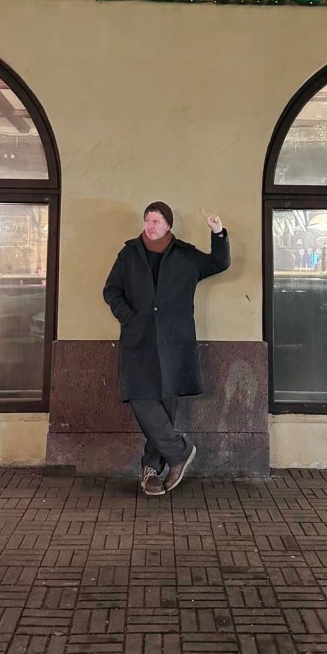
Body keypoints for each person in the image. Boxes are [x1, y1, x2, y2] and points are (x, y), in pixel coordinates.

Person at [103, 201, 230, 496]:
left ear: (168, 225)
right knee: (140, 396)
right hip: (138, 339)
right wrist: (128, 317)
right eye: (147, 220)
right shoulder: (129, 254)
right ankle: (179, 451)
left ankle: (150, 470)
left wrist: (218, 232)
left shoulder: (185, 255)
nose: (150, 226)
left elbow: (219, 263)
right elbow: (111, 290)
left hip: (174, 342)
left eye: (156, 221)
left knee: (165, 406)